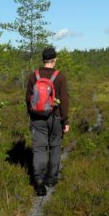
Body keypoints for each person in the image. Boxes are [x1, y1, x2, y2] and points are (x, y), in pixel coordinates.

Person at [26, 46, 70, 196]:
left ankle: (38, 180)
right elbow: (64, 101)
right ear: (54, 59)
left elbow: (28, 99)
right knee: (55, 147)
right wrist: (65, 121)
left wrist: (31, 117)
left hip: (37, 118)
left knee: (39, 149)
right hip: (56, 117)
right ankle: (51, 179)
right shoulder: (60, 77)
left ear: (43, 60)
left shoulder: (34, 76)